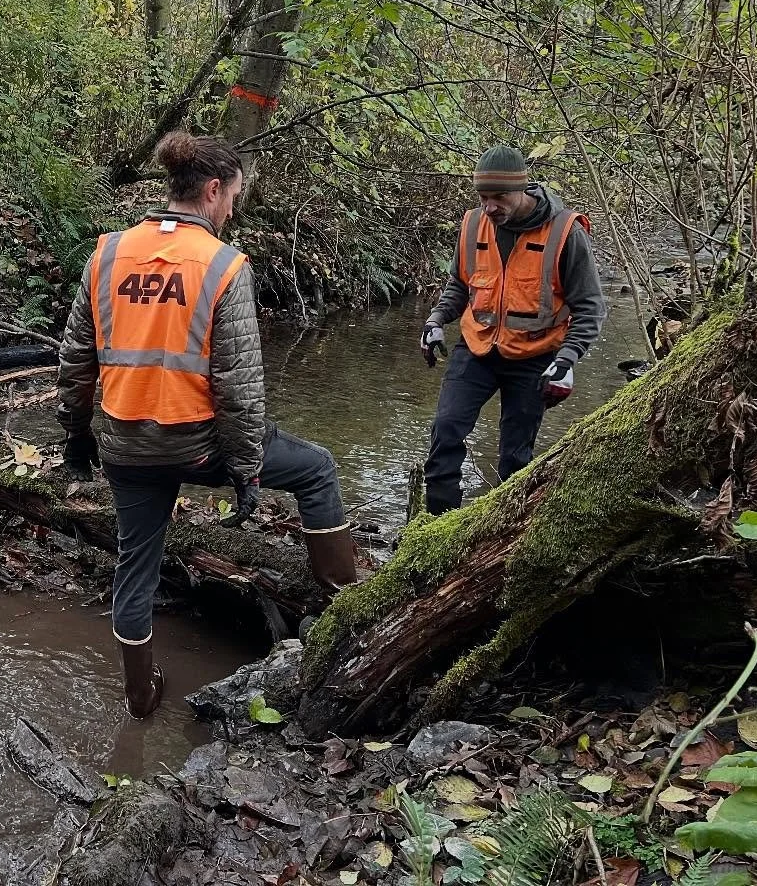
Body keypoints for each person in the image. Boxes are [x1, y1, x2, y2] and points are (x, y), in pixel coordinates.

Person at [56, 130, 356, 721]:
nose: (233, 207)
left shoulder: (108, 254)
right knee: (317, 470)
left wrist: (74, 434)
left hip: (125, 447)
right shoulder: (224, 266)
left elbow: (75, 360)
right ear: (213, 190)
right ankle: (349, 607)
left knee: (135, 562)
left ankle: (140, 698)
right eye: (234, 195)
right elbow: (239, 388)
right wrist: (246, 471)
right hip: (199, 450)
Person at [420, 145, 606, 514]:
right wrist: (436, 320)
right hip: (476, 349)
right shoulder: (473, 223)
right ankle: (434, 529)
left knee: (515, 458)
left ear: (523, 189)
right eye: (483, 197)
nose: (490, 206)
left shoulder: (565, 232)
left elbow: (591, 309)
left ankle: (501, 533)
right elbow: (461, 285)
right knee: (446, 430)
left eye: (499, 197)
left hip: (536, 359)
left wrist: (565, 362)